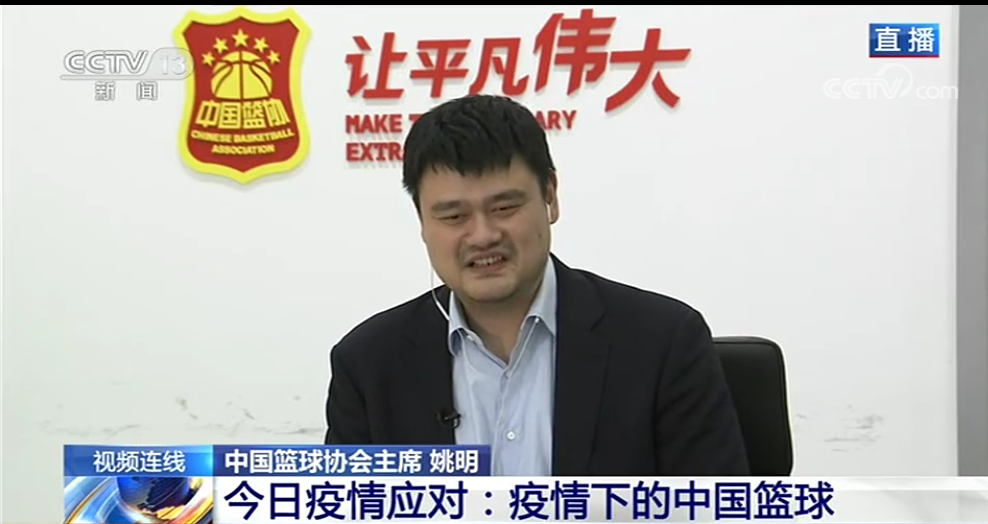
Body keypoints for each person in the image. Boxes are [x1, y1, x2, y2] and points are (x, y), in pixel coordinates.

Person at [324, 94, 749, 476]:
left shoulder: (662, 342)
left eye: (505, 207)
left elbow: (712, 509)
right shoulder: (368, 364)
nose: (483, 235)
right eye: (454, 217)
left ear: (550, 195)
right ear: (421, 221)